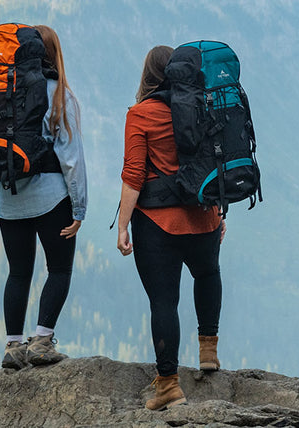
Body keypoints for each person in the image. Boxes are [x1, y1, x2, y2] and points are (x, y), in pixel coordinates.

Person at [117, 45, 225, 411]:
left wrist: (122, 226)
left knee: (164, 302)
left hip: (158, 225)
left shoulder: (141, 114)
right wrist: (218, 212)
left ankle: (168, 385)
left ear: (149, 75)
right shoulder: (205, 106)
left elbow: (134, 175)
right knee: (208, 274)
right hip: (205, 216)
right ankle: (208, 350)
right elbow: (218, 162)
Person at [0, 25, 88, 370]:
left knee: (18, 272)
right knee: (59, 268)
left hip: (8, 196)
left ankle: (14, 346)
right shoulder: (58, 93)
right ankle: (42, 341)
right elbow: (71, 158)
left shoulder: (2, 92)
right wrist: (79, 207)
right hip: (51, 197)